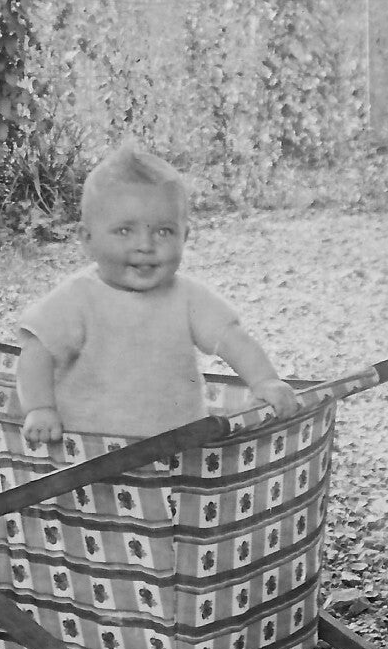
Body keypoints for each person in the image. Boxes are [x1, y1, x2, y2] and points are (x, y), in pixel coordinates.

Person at [17, 144, 301, 443]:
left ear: (185, 236)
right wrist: (40, 408)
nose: (146, 245)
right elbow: (37, 350)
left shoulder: (187, 297)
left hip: (180, 449)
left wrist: (264, 380)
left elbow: (233, 339)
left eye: (163, 231)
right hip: (90, 451)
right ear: (87, 239)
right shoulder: (77, 299)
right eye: (125, 231)